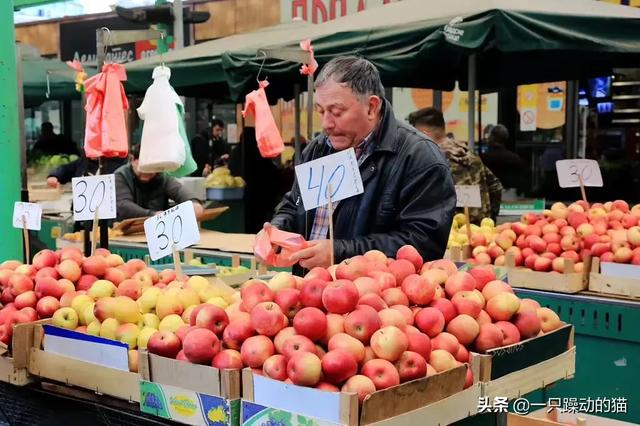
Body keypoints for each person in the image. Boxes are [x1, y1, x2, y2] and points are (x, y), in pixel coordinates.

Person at [259, 56, 456, 269]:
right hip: (310, 292)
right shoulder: (319, 149)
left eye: (336, 112)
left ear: (371, 107)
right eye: (320, 111)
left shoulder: (420, 158)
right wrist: (278, 228)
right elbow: (295, 203)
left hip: (374, 298)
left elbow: (422, 244)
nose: (326, 124)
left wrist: (341, 252)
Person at [408, 107, 503, 222]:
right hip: (482, 230)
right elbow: (496, 186)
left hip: (453, 232)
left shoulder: (432, 161)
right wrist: (490, 217)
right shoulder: (469, 153)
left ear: (424, 134)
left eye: (415, 134)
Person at [114, 144, 204, 220]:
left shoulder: (162, 177)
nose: (150, 171)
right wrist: (152, 214)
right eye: (146, 166)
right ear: (132, 159)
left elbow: (178, 191)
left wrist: (193, 203)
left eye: (154, 167)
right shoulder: (121, 176)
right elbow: (123, 206)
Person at [228, 128, 283, 233]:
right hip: (259, 196)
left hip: (241, 195)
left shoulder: (235, 152)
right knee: (257, 223)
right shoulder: (257, 152)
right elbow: (271, 172)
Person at [481, 124, 527, 193]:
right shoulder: (515, 159)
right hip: (511, 199)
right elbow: (521, 184)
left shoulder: (483, 159)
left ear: (491, 138)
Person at [46, 154, 126, 188]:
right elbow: (66, 169)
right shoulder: (83, 162)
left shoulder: (117, 165)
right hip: (82, 213)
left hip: (107, 213)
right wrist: (54, 176)